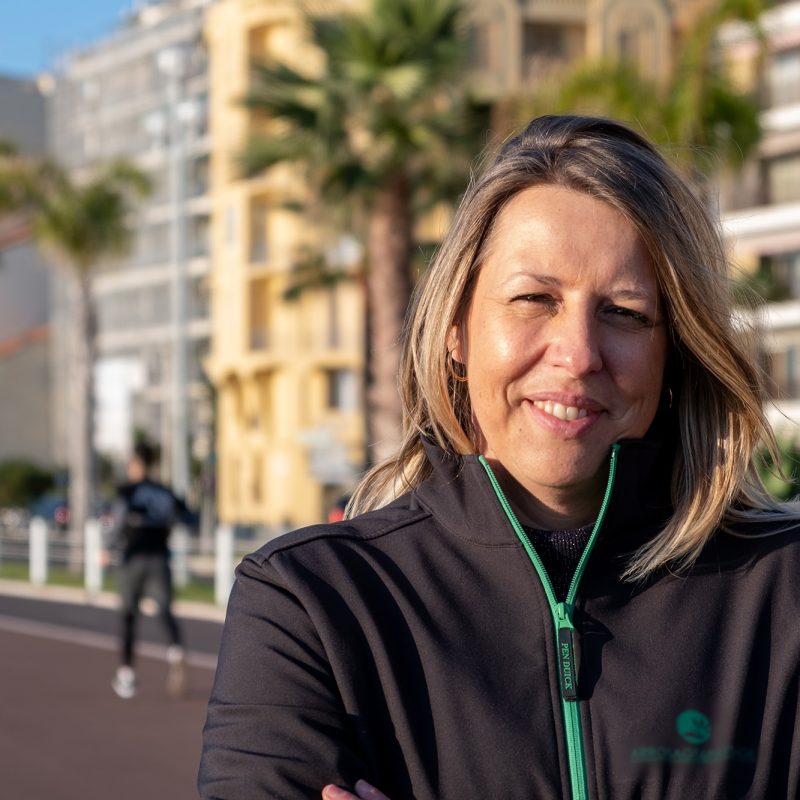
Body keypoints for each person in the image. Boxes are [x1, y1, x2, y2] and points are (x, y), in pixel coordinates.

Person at [198, 116, 800, 799]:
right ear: (456, 327)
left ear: (675, 352)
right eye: (534, 300)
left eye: (626, 313)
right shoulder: (312, 602)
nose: (577, 354)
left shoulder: (783, 593)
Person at [106, 442, 192, 700]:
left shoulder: (129, 491)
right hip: (160, 558)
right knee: (164, 609)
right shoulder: (165, 492)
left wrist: (108, 547)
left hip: (133, 558)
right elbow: (187, 516)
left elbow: (118, 522)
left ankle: (127, 675)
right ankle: (175, 651)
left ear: (136, 464)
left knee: (129, 615)